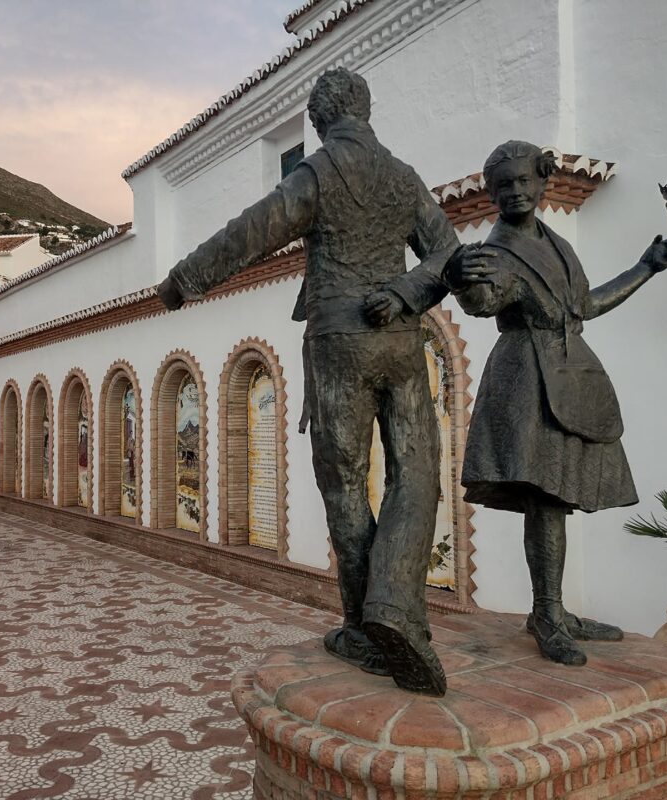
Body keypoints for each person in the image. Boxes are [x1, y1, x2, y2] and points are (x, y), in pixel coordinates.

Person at [157, 67, 459, 696]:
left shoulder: (319, 172)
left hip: (338, 341)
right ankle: (400, 608)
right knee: (417, 473)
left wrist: (184, 278)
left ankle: (368, 625)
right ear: (366, 111)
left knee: (345, 482)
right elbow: (447, 255)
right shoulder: (403, 177)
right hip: (402, 339)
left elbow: (252, 230)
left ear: (320, 119)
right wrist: (406, 291)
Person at [444, 140, 667, 665]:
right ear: (492, 193)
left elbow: (585, 305)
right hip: (526, 378)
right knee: (547, 498)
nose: (516, 192)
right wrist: (461, 280)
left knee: (559, 499)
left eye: (525, 180)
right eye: (504, 185)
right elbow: (484, 302)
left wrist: (647, 267)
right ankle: (549, 614)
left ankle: (550, 610)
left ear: (543, 180)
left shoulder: (556, 244)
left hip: (571, 373)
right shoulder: (496, 250)